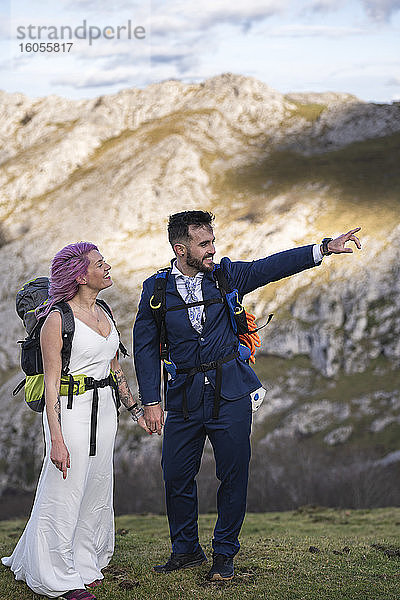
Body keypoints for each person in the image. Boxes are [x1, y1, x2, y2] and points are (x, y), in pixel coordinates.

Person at [133, 210, 361, 581]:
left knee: (234, 475)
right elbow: (143, 345)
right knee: (175, 475)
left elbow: (270, 267)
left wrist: (322, 249)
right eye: (203, 244)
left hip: (231, 393)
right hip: (183, 398)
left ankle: (224, 555)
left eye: (212, 241)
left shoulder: (226, 274)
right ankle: (186, 550)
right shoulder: (155, 290)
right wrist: (151, 400)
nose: (212, 249)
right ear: (181, 248)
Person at [2, 242, 150, 600]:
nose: (109, 266)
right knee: (64, 491)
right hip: (69, 411)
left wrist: (136, 412)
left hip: (104, 411)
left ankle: (85, 562)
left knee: (96, 488)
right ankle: (59, 576)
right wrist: (57, 439)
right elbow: (51, 384)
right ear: (82, 276)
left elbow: (114, 369)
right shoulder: (57, 319)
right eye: (101, 264)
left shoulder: (104, 310)